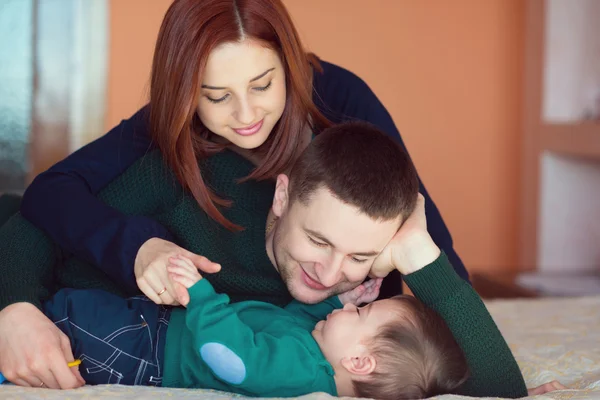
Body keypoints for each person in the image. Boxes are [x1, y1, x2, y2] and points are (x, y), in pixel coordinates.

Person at [0, 123, 527, 397]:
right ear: (281, 198)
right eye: (318, 241)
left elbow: (497, 388)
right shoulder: (191, 178)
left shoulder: (363, 306)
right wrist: (15, 307)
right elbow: (38, 217)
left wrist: (417, 251)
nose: (330, 273)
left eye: (361, 256)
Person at [43, 257, 469, 400]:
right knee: (73, 313)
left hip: (148, 352)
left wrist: (202, 296)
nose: (351, 312)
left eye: (361, 316)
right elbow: (289, 322)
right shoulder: (313, 353)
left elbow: (234, 360)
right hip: (153, 332)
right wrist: (339, 301)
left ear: (358, 361)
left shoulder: (300, 372)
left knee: (71, 318)